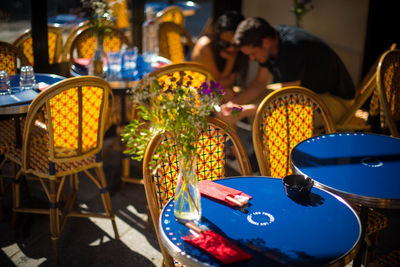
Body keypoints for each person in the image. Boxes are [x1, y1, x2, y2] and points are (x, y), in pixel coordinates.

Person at [218, 17, 356, 124]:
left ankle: (275, 158)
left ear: (265, 42)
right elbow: (259, 84)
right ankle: (263, 153)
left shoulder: (290, 50)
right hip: (307, 94)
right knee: (259, 104)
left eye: (252, 53)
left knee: (276, 117)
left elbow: (286, 101)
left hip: (335, 100)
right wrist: (235, 104)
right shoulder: (271, 41)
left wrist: (243, 111)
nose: (252, 59)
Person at [191, 11, 249, 101]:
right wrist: (231, 60)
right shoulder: (206, 46)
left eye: (235, 44)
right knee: (228, 95)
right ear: (217, 37)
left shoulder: (239, 51)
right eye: (225, 44)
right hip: (199, 94)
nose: (231, 49)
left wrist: (231, 60)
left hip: (214, 94)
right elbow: (216, 85)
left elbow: (229, 82)